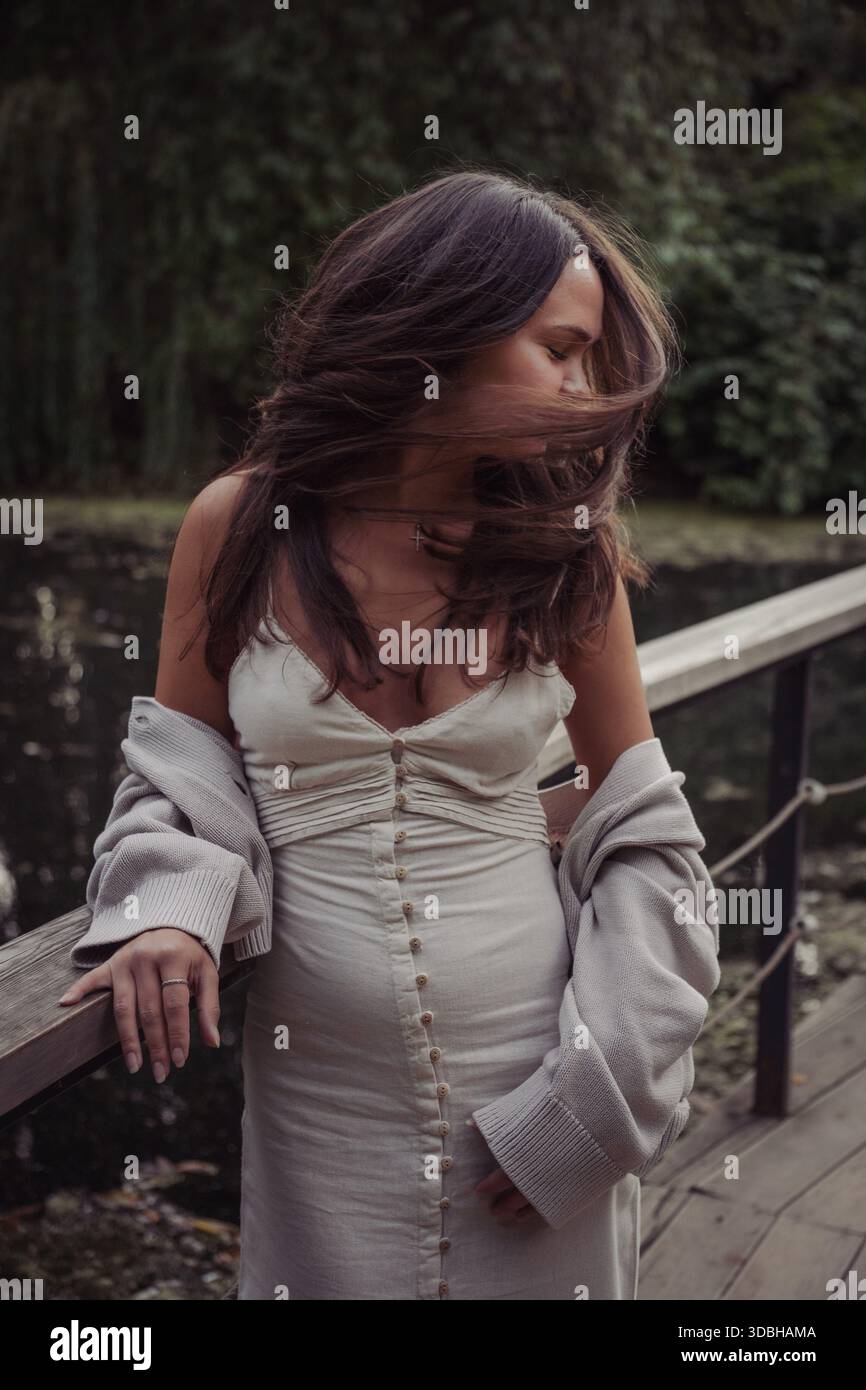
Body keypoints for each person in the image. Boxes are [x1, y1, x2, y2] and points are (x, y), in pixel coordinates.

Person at [60, 169, 721, 1300]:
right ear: (445, 324)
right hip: (318, 1104)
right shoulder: (241, 527)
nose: (579, 386)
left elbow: (643, 832)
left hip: (537, 1092)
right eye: (557, 348)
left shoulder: (568, 553)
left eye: (589, 359)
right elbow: (183, 761)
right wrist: (165, 908)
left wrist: (597, 1093)